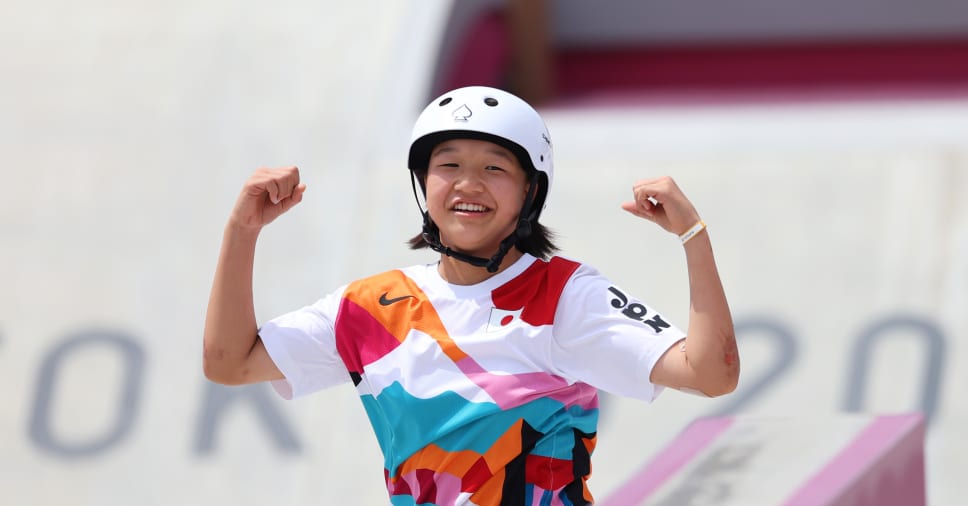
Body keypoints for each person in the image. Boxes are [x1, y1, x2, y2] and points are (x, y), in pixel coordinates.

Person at [203, 86, 739, 505]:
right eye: (449, 165)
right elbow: (230, 363)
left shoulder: (565, 295)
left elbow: (712, 374)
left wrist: (693, 236)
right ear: (424, 182)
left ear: (530, 191)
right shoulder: (371, 306)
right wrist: (242, 230)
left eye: (494, 168)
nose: (468, 183)